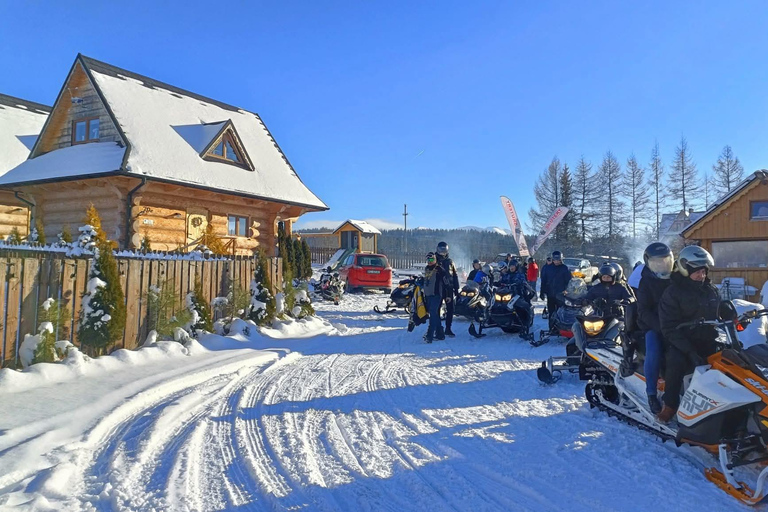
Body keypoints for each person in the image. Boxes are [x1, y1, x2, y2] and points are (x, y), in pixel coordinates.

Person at [657, 246, 720, 423]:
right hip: (681, 342)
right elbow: (668, 327)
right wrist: (689, 351)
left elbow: (718, 310)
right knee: (676, 363)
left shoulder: (710, 289)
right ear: (686, 270)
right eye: (698, 272)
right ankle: (669, 405)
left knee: (730, 360)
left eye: (704, 271)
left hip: (707, 339)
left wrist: (731, 313)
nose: (702, 275)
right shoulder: (672, 293)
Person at [636, 242, 674, 415]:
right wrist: (660, 326)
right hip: (654, 325)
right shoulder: (646, 282)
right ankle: (651, 393)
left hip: (675, 323)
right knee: (654, 349)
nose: (662, 265)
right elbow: (643, 311)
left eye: (665, 261)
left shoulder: (676, 278)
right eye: (657, 262)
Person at [436, 241, 460, 337]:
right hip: (437, 288)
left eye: (444, 250)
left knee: (450, 309)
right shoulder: (434, 260)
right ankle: (437, 328)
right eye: (441, 250)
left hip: (449, 288)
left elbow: (455, 275)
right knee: (436, 309)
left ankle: (448, 328)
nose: (442, 252)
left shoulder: (450, 261)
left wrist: (457, 288)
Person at [422, 252, 447, 343]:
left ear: (435, 260)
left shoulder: (439, 269)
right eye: (428, 260)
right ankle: (440, 334)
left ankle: (430, 335)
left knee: (433, 314)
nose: (429, 262)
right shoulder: (427, 269)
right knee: (435, 314)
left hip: (436, 295)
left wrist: (447, 295)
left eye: (431, 260)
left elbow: (446, 283)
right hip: (428, 295)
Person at [545, 251, 572, 328]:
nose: (556, 262)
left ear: (561, 259)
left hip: (561, 294)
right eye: (555, 260)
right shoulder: (549, 268)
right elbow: (545, 280)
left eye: (558, 260)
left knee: (561, 312)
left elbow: (569, 281)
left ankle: (561, 328)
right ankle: (551, 328)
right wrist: (543, 291)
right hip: (550, 294)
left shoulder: (565, 268)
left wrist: (567, 290)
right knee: (551, 312)